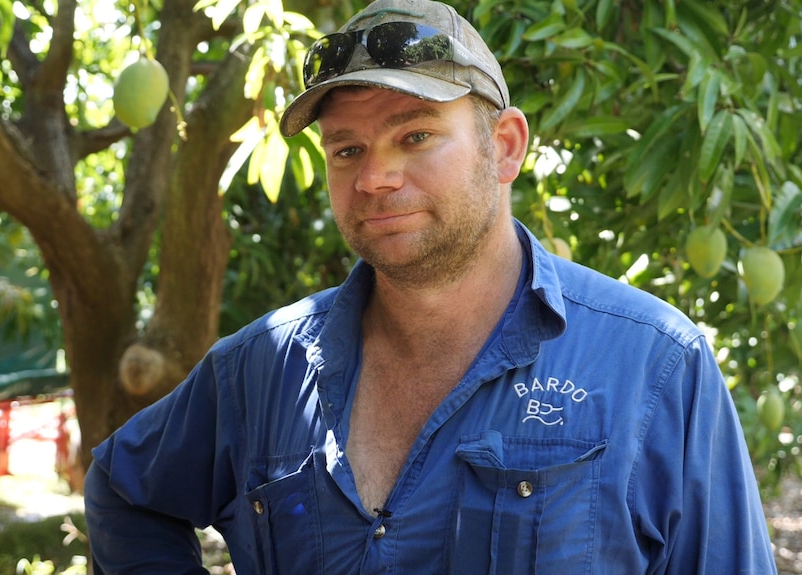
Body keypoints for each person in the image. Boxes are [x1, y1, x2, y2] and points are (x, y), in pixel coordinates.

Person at [83, 0, 778, 572]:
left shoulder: (655, 367)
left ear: (504, 147)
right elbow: (124, 489)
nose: (375, 176)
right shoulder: (262, 369)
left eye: (414, 135)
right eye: (347, 149)